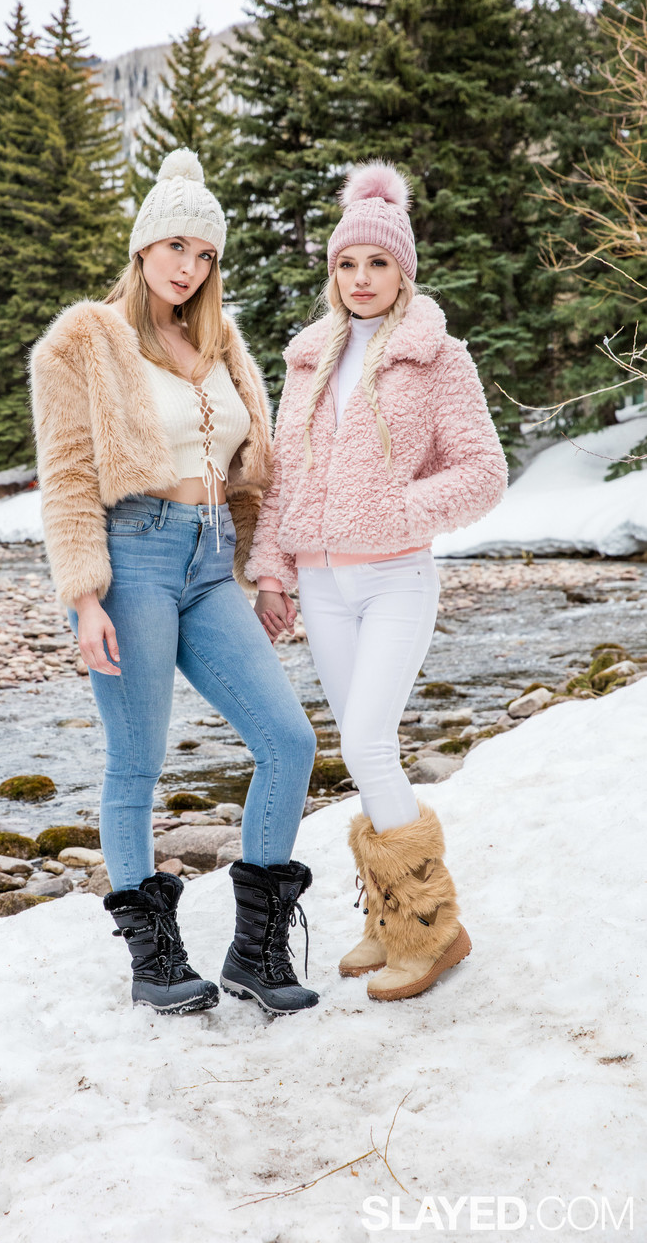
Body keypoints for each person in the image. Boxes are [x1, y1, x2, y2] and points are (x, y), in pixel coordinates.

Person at [30, 150, 318, 1016]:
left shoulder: (222, 345)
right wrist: (84, 596)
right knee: (137, 763)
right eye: (175, 247)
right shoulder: (83, 341)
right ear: (143, 246)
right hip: (133, 559)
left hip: (210, 561)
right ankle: (153, 960)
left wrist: (264, 573)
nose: (188, 267)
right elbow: (68, 476)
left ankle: (255, 953)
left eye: (204, 253)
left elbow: (251, 474)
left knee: (289, 741)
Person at [247, 160, 508, 1001]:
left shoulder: (438, 359)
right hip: (321, 587)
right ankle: (390, 917)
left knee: (364, 741)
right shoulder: (306, 361)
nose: (360, 279)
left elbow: (483, 472)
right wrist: (272, 571)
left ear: (403, 271)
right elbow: (283, 482)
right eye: (346, 264)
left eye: (377, 263)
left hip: (395, 577)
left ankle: (431, 931)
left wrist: (397, 509)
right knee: (363, 752)